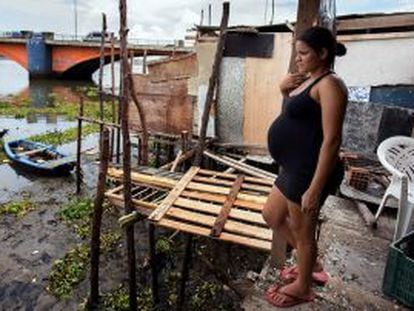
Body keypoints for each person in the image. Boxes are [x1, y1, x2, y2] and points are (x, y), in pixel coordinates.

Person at [262, 26, 348, 308]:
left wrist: (315, 188)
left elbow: (332, 139)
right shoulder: (311, 80)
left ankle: (303, 287)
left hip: (308, 172)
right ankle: (311, 262)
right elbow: (298, 120)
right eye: (296, 53)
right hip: (292, 167)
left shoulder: (330, 85)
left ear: (322, 53)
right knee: (272, 215)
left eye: (303, 53)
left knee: (303, 231)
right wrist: (284, 90)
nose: (297, 59)